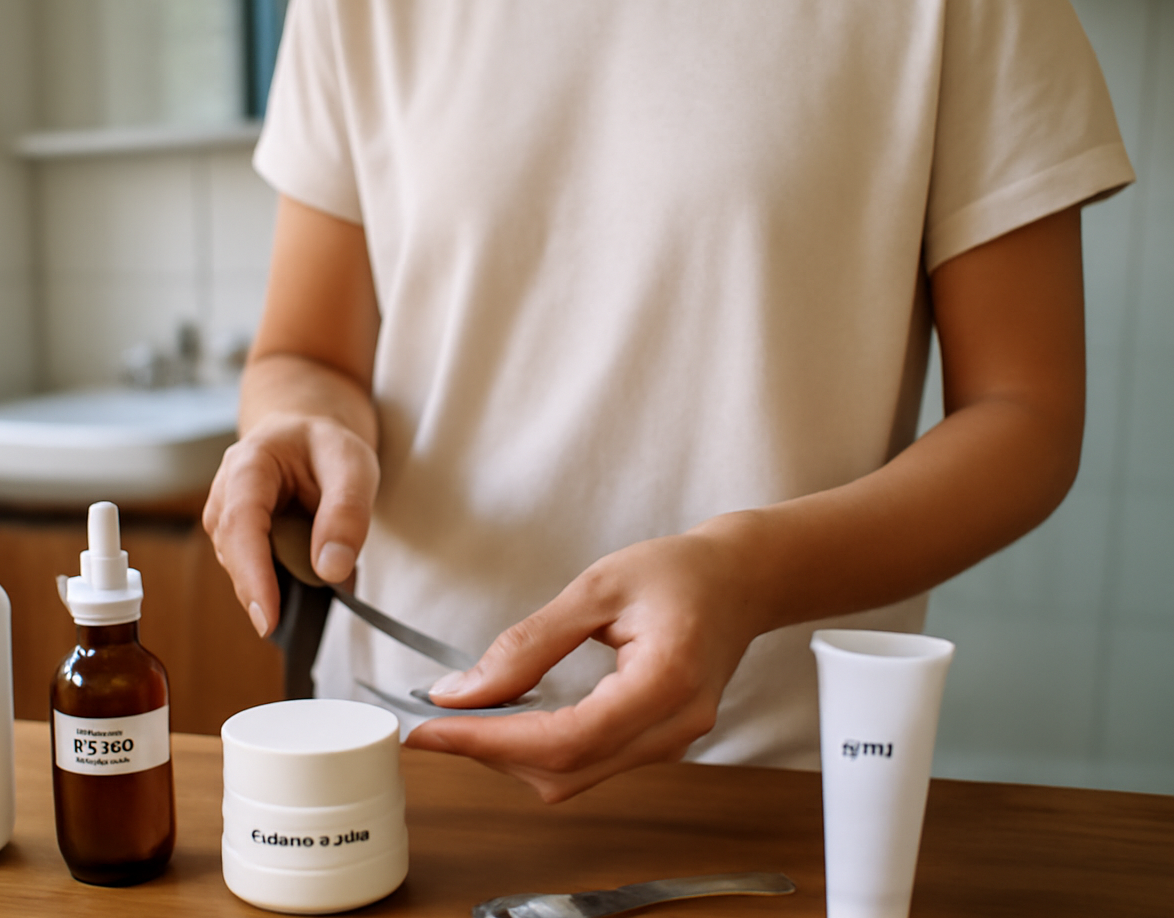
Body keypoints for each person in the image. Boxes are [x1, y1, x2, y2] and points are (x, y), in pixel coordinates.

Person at [202, 0, 1135, 802]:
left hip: (759, 792)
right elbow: (306, 353)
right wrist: (301, 426)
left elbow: (1027, 416)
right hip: (396, 762)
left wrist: (748, 574)